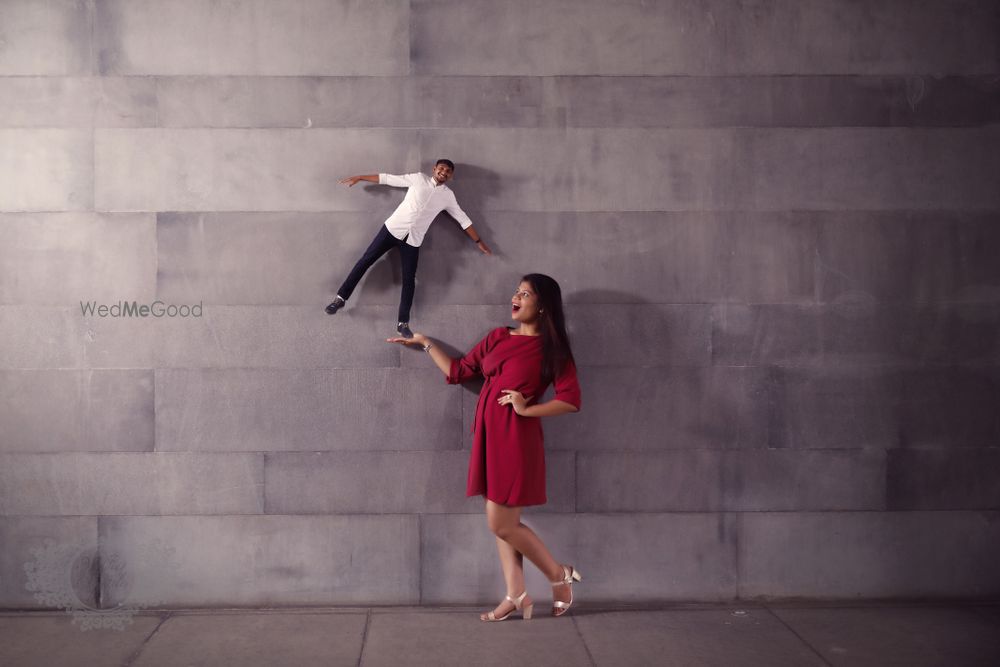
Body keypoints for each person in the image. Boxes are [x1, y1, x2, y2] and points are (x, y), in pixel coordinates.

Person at [388, 273, 583, 621]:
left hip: (517, 440)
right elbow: (460, 371)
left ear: (543, 307)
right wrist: (426, 343)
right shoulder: (497, 337)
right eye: (517, 292)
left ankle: (559, 576)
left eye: (526, 294)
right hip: (489, 437)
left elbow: (570, 400)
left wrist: (528, 408)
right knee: (504, 521)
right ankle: (516, 593)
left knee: (501, 523)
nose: (517, 297)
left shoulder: (552, 350)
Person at [326, 159, 492, 338]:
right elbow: (389, 178)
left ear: (450, 176)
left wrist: (478, 241)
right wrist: (361, 177)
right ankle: (340, 299)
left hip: (413, 241)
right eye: (442, 168)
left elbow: (463, 219)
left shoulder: (448, 196)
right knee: (365, 261)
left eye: (448, 171)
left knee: (409, 281)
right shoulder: (418, 178)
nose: (444, 172)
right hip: (391, 229)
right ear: (434, 169)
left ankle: (402, 323)